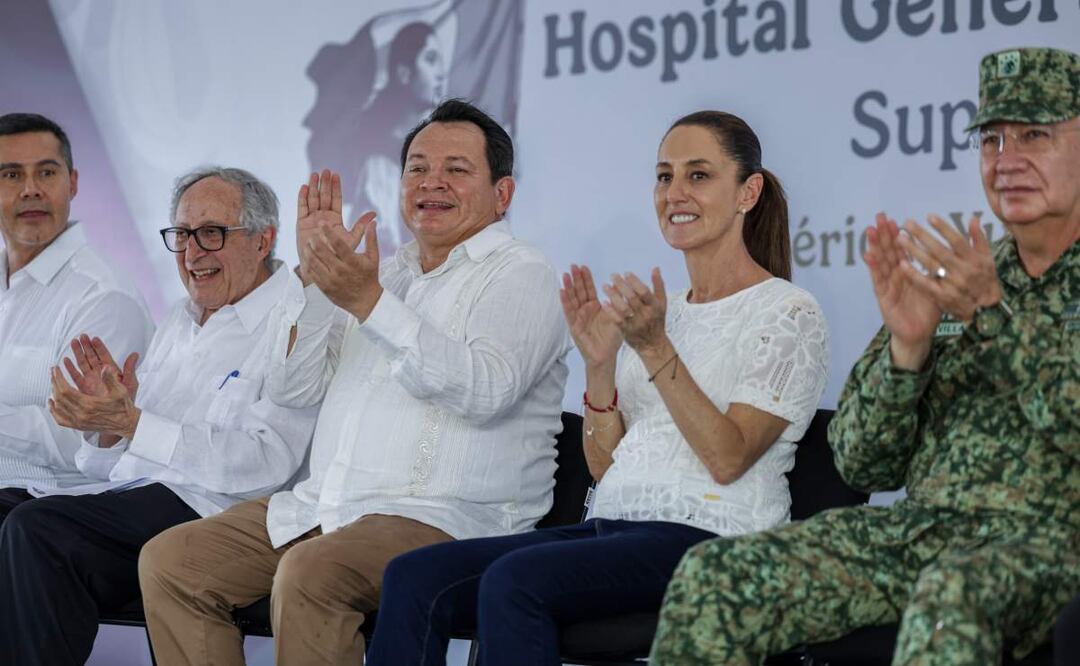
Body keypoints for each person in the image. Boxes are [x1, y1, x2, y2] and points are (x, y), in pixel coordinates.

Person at [650, 47, 1080, 666]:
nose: (1006, 161)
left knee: (951, 597)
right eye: (991, 140)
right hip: (924, 533)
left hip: (1051, 543)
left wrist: (994, 322)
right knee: (716, 576)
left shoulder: (977, 291)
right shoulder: (960, 274)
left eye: (1033, 135)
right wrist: (907, 352)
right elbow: (861, 462)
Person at [365, 110, 830, 666]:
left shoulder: (787, 311)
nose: (674, 192)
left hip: (715, 538)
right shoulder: (663, 312)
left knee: (515, 581)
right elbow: (606, 466)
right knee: (416, 576)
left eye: (698, 175)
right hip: (615, 529)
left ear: (747, 192)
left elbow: (728, 458)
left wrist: (656, 349)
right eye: (664, 176)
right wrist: (601, 366)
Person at [138, 99, 570, 665]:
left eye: (456, 170)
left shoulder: (523, 273)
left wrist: (370, 304)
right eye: (416, 168)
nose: (430, 182)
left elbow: (485, 391)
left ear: (502, 194)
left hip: (449, 519)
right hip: (327, 507)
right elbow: (295, 388)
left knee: (312, 574)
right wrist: (315, 278)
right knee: (173, 562)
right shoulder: (380, 271)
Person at [0, 167, 319, 665]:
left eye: (212, 233)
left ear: (264, 240)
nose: (193, 253)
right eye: (182, 236)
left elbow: (265, 464)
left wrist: (133, 424)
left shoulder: (296, 320)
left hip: (215, 512)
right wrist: (106, 424)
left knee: (38, 530)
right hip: (135, 501)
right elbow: (114, 465)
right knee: (8, 512)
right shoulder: (178, 319)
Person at [0, 112, 152, 519]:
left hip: (48, 504)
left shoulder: (104, 296)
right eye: (11, 175)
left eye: (46, 172)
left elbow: (83, 442)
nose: (31, 190)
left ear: (74, 183)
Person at [305, 20, 447, 254]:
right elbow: (379, 248)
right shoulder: (381, 163)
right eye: (431, 60)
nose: (441, 73)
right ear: (404, 73)